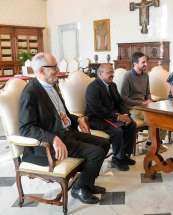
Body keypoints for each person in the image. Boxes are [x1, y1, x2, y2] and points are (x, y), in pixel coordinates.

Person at [19, 53, 110, 204]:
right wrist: (52, 138)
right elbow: (26, 128)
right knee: (96, 153)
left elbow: (63, 116)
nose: (58, 70)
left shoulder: (52, 87)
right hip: (49, 145)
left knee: (105, 143)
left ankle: (86, 183)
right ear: (41, 71)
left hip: (67, 133)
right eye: (54, 67)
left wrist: (78, 119)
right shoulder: (30, 92)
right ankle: (79, 188)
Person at [85, 63, 137, 171]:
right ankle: (117, 159)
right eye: (109, 72)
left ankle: (125, 155)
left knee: (131, 124)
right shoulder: (93, 88)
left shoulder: (112, 85)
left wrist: (125, 114)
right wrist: (117, 117)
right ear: (100, 74)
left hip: (111, 116)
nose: (112, 75)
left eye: (112, 72)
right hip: (96, 118)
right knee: (117, 130)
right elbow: (98, 110)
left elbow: (120, 102)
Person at [121, 52, 167, 152]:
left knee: (164, 115)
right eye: (143, 62)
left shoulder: (145, 75)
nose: (146, 64)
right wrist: (141, 103)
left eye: (146, 62)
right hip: (133, 108)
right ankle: (150, 144)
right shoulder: (128, 76)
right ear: (135, 64)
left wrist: (149, 100)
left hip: (145, 106)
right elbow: (124, 98)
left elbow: (148, 93)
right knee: (155, 117)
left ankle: (156, 142)